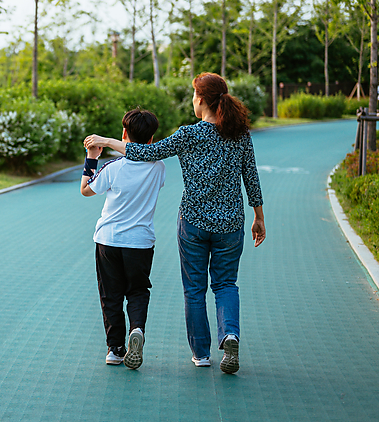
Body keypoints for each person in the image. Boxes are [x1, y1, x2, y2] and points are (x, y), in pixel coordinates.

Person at [85, 72, 265, 375]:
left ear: (201, 100)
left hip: (193, 222)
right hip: (231, 224)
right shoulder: (240, 134)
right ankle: (230, 336)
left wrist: (105, 141)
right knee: (225, 284)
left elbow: (147, 152)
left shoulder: (189, 134)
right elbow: (251, 176)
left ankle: (201, 355)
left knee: (194, 289)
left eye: (194, 95)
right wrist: (259, 216)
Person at [81, 108, 166, 370]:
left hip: (108, 240)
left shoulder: (113, 167)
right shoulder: (159, 168)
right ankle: (136, 329)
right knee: (138, 290)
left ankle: (115, 349)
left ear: (124, 134)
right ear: (151, 139)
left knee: (111, 294)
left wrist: (92, 158)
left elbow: (86, 189)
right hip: (140, 242)